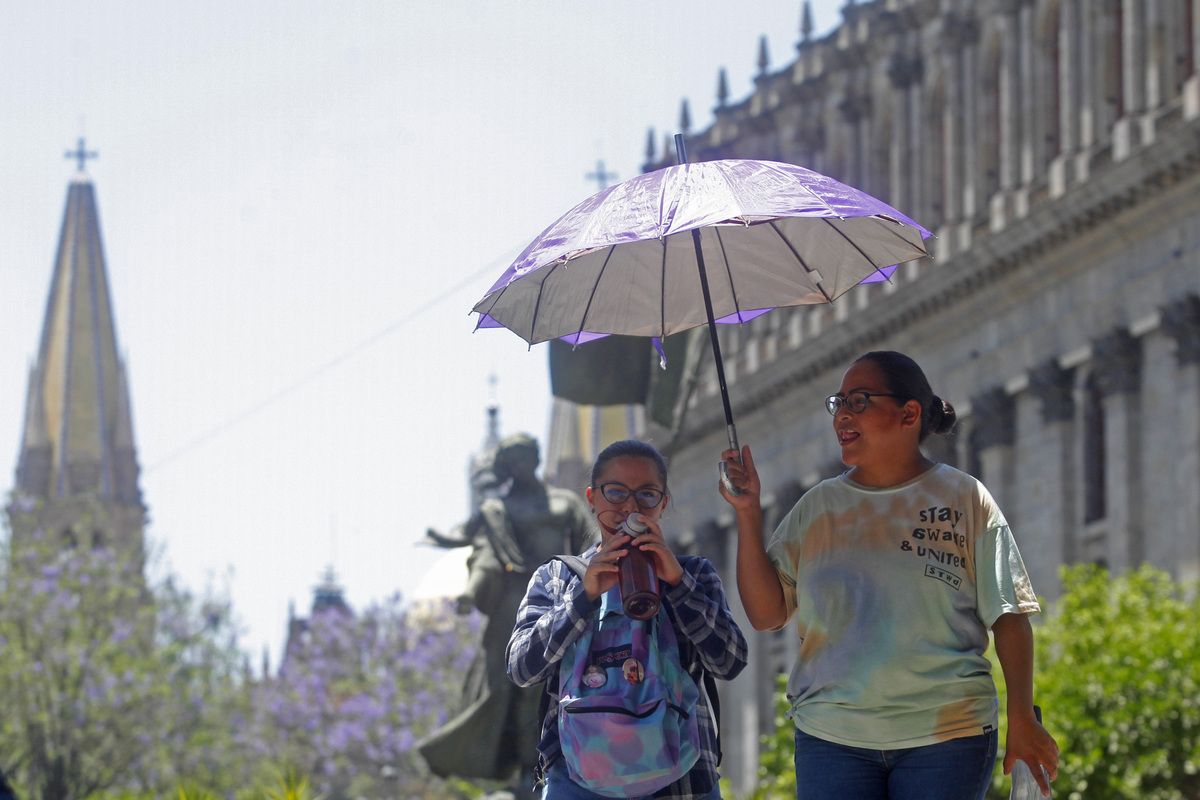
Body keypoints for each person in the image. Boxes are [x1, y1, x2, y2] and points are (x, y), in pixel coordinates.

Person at [719, 351, 1059, 800]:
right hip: (831, 739)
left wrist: (1023, 718)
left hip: (948, 738)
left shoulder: (966, 498)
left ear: (910, 414)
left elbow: (1009, 616)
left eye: (858, 401)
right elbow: (766, 615)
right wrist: (747, 513)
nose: (841, 414)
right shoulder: (817, 508)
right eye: (837, 403)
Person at [507, 439, 749, 800]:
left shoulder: (694, 573)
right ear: (591, 498)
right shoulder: (559, 577)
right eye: (616, 492)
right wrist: (581, 599)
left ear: (663, 503)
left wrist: (677, 584)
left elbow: (729, 661)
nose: (631, 507)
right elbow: (521, 668)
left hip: (682, 782)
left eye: (647, 495)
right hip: (578, 779)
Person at [419, 433, 598, 793]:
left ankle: (567, 761)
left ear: (535, 457)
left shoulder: (565, 502)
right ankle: (525, 771)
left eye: (526, 456)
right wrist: (469, 592)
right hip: (514, 604)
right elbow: (482, 553)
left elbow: (590, 542)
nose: (521, 465)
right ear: (506, 467)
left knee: (568, 679)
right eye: (513, 460)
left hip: (562, 596)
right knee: (514, 688)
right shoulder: (497, 509)